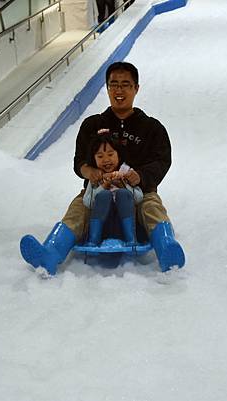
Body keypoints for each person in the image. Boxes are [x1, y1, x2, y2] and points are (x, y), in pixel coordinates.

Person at [20, 61, 185, 275]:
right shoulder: (92, 125)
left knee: (153, 208)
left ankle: (166, 251)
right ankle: (50, 253)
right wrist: (89, 172)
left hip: (139, 193)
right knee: (77, 210)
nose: (119, 90)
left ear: (136, 88)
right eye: (113, 84)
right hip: (97, 192)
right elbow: (79, 161)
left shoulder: (152, 128)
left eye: (125, 84)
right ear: (107, 88)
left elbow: (162, 160)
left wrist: (141, 176)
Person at [83, 134, 143, 246]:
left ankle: (131, 239)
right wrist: (103, 187)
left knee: (123, 194)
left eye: (110, 154)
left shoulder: (126, 173)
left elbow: (139, 198)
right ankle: (94, 239)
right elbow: (87, 202)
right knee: (104, 195)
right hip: (104, 226)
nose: (106, 160)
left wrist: (123, 185)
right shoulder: (96, 177)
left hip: (124, 224)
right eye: (100, 156)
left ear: (119, 155)